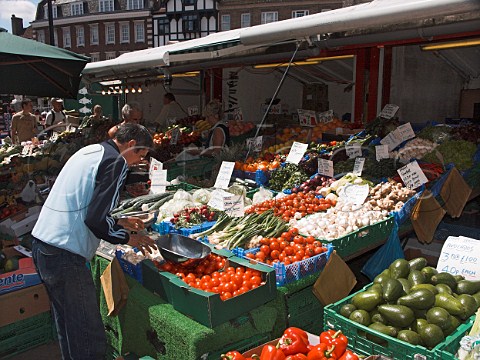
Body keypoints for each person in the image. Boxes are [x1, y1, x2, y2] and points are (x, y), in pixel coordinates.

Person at [31, 123, 156, 360]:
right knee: (87, 333)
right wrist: (129, 237)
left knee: (69, 327)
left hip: (43, 246)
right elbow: (95, 220)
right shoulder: (116, 162)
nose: (137, 162)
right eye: (140, 155)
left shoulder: (92, 151)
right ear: (131, 145)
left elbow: (85, 204)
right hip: (65, 254)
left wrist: (119, 221)